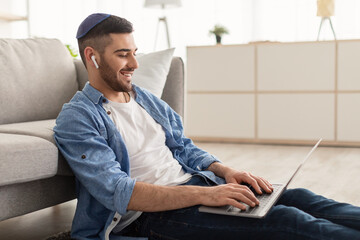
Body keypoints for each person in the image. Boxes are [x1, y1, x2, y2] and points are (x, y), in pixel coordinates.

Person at [54, 13, 360, 240]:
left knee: (304, 199)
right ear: (91, 57)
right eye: (123, 55)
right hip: (149, 217)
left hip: (198, 186)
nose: (134, 64)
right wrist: (205, 196)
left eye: (135, 53)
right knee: (289, 221)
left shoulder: (144, 98)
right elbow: (120, 193)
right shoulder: (78, 118)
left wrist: (226, 173)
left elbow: (183, 147)